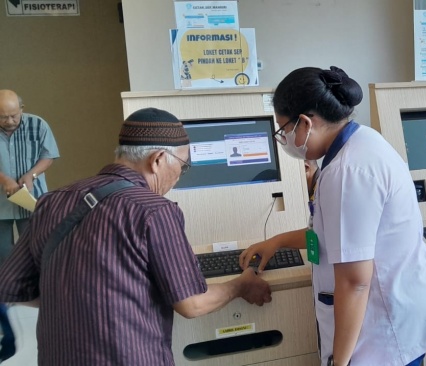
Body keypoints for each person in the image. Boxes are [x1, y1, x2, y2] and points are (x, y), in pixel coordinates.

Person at [0, 107, 272, 365]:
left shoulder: (52, 201)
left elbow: (13, 287)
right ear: (158, 160)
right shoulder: (154, 210)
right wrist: (241, 284)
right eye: (182, 166)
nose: (178, 176)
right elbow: (192, 303)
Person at [240, 66, 426, 366]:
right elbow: (337, 234)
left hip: (382, 329)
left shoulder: (347, 171)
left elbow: (355, 283)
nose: (283, 139)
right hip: (402, 307)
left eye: (282, 130)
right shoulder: (361, 142)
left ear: (304, 123)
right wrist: (278, 241)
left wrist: (340, 363)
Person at [0, 89, 59, 362]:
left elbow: (49, 156)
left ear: (22, 108)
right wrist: (3, 179)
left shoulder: (38, 124)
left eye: (13, 115)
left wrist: (31, 174)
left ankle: (37, 309)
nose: (9, 121)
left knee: (34, 251)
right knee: (3, 258)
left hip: (30, 197)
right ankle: (8, 319)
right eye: (2, 117)